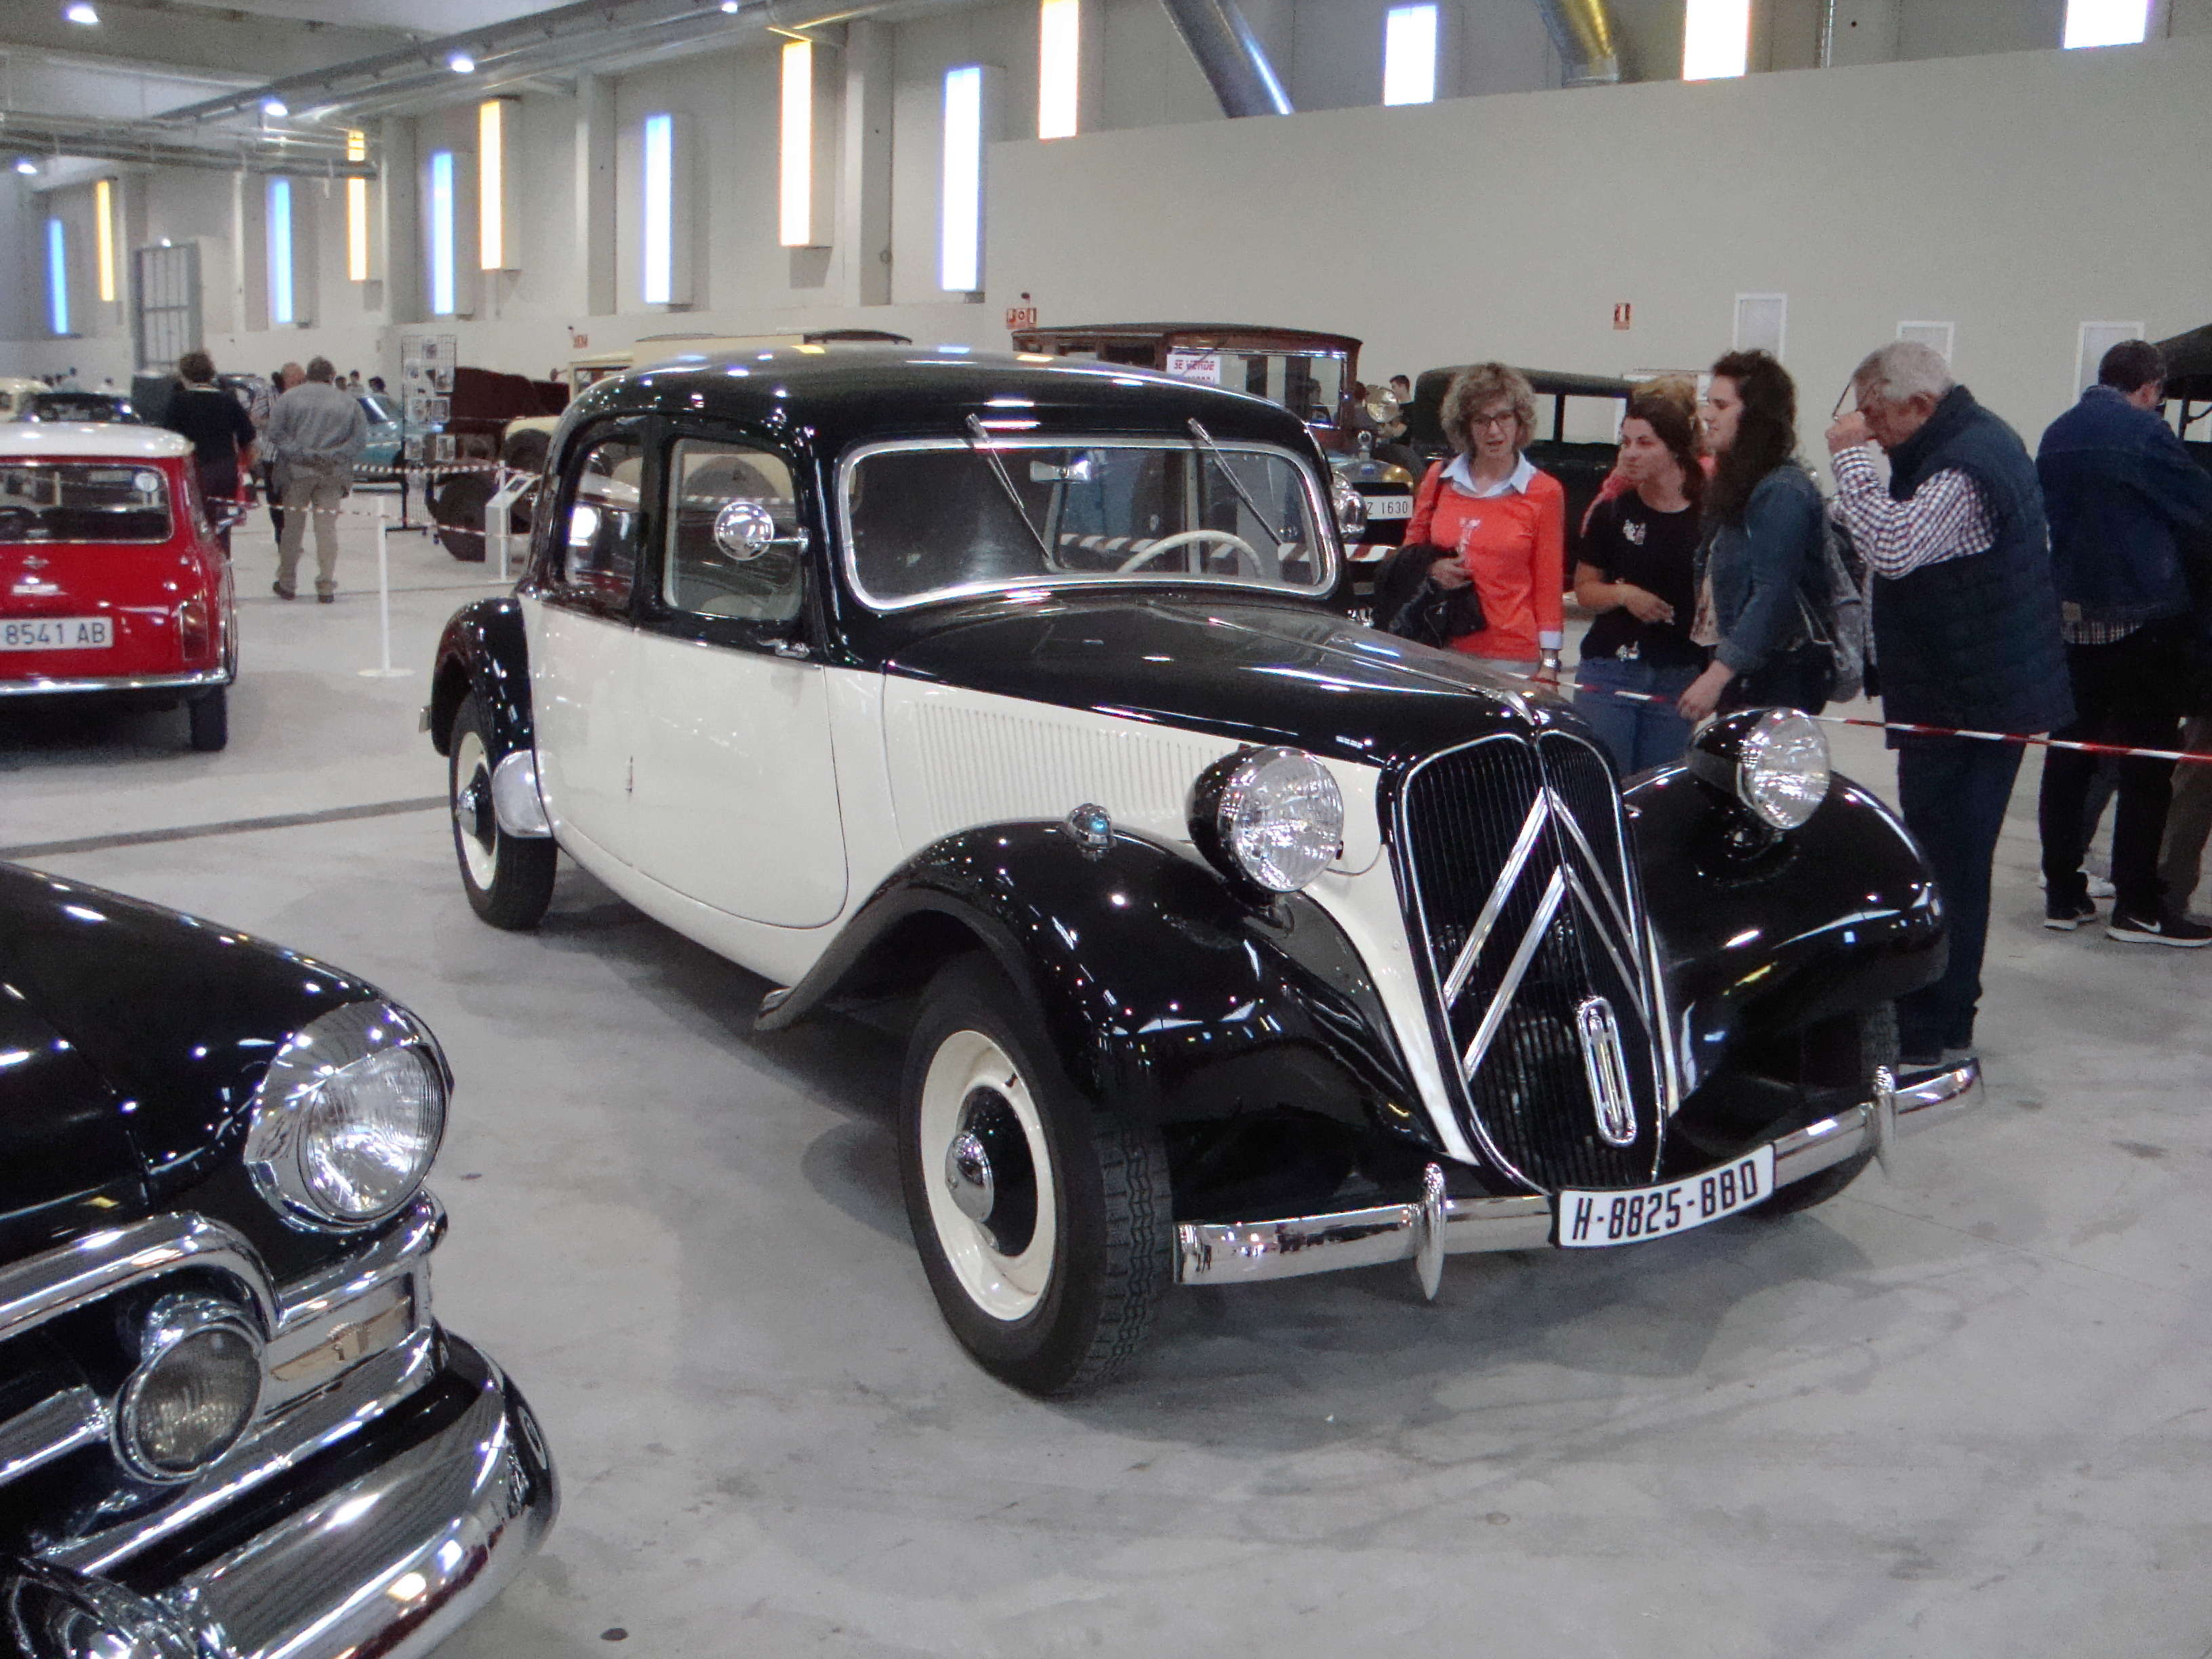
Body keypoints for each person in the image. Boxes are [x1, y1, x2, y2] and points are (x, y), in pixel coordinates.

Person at [1827, 339, 2073, 1069]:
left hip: (1972, 700)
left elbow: (1896, 546)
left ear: (1920, 405)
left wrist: (1848, 463)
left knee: (1948, 867)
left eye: (1877, 418)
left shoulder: (1968, 465)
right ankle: (1941, 1017)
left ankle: (1932, 1029)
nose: (1869, 431)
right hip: (1966, 689)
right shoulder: (1959, 443)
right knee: (1948, 861)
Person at [2034, 339, 2212, 943]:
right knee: (2146, 765)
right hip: (2142, 622)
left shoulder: (2057, 433)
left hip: (2069, 617)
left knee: (2068, 757)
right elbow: (2198, 509)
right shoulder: (2144, 434)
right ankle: (2137, 906)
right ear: (2150, 389)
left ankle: (2062, 892)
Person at [1678, 350, 1831, 721]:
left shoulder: (1782, 491)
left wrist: (1718, 675)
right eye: (1707, 403)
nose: (1707, 415)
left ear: (1755, 416)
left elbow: (1773, 593)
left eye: (1721, 405)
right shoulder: (1738, 485)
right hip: (1745, 675)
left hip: (1775, 677)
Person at [1397, 362, 1566, 679]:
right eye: (1481, 420)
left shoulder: (1544, 491)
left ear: (1520, 422)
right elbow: (1410, 551)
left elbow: (1548, 584)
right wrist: (1432, 568)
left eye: (1504, 417)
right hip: (1438, 645)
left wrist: (1550, 665)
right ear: (1465, 426)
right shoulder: (1438, 479)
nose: (1494, 431)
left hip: (1512, 656)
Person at [1572, 390, 1708, 772]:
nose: (1630, 453)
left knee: (1657, 792)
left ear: (1676, 450)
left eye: (1645, 443)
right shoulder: (1613, 512)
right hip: (1610, 668)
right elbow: (1584, 591)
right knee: (1604, 781)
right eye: (1626, 442)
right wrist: (1623, 594)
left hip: (1679, 672)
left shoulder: (1709, 518)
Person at [262, 356, 367, 602]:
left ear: (307, 375)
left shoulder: (288, 399)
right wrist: (334, 455)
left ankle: (287, 582)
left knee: (292, 530)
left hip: (296, 473)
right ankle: (326, 585)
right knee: (327, 530)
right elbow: (359, 439)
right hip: (332, 474)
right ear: (332, 377)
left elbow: (275, 433)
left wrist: (300, 453)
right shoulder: (348, 402)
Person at [159, 350, 257, 556]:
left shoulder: (178, 403)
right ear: (210, 373)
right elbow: (248, 436)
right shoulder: (228, 401)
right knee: (222, 523)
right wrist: (247, 469)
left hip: (194, 470)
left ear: (185, 375)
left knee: (195, 523)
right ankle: (223, 558)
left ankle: (200, 560)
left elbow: (168, 439)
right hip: (224, 469)